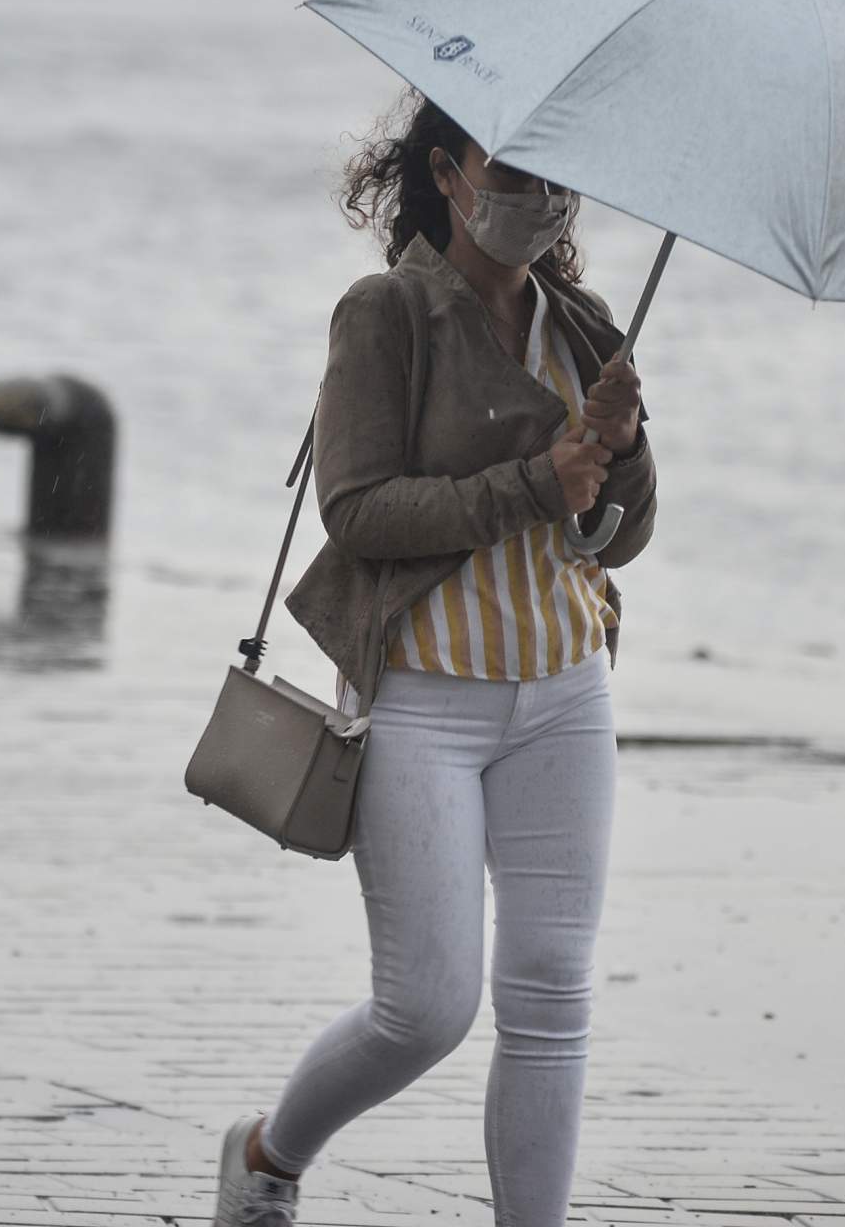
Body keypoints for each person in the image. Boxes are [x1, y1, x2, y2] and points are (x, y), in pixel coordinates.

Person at [211, 91, 658, 1227]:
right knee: (427, 1008)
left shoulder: (586, 323)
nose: (538, 197)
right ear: (450, 175)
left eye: (556, 173)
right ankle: (268, 1155)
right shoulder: (387, 313)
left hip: (563, 687)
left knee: (552, 994)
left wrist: (624, 450)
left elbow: (622, 536)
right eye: (510, 169)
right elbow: (357, 512)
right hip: (421, 696)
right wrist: (535, 481)